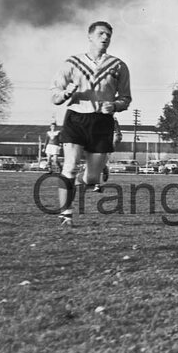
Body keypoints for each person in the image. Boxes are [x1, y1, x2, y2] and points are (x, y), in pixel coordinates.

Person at [49, 20, 132, 226]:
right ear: (90, 36)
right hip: (77, 118)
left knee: (93, 178)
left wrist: (114, 106)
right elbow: (55, 95)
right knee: (70, 166)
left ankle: (75, 185)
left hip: (102, 122)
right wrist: (66, 93)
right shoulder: (72, 63)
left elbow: (126, 99)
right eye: (101, 34)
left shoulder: (118, 65)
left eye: (108, 35)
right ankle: (66, 214)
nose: (105, 38)